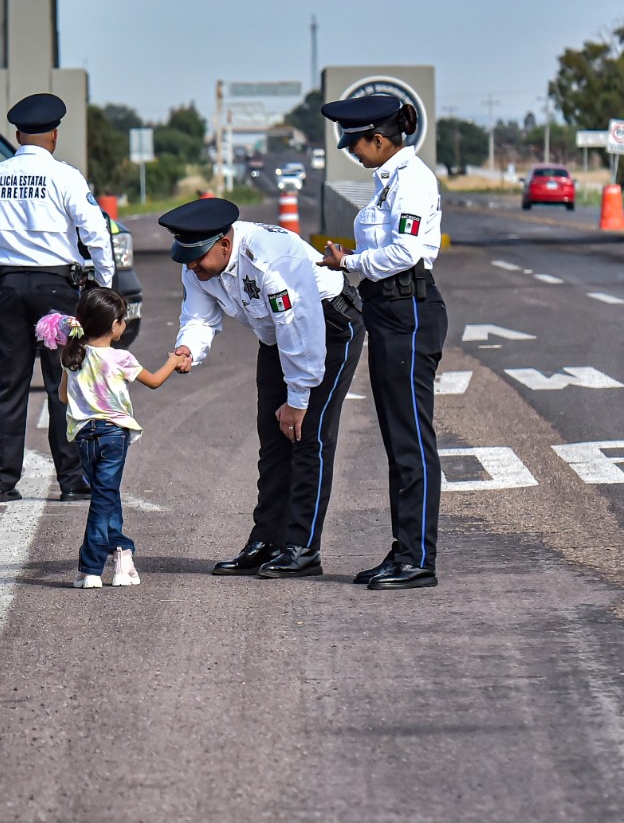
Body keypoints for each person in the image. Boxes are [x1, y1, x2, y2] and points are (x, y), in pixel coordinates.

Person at [158, 198, 366, 579]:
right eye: (185, 258)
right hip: (276, 336)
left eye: (196, 258)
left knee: (308, 436)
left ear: (224, 244)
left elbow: (299, 329)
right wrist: (189, 347)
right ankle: (268, 539)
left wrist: (298, 398)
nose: (191, 268)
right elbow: (199, 316)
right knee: (273, 437)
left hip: (327, 326)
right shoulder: (199, 266)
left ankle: (302, 548)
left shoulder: (269, 260)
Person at [0, 93, 115, 504]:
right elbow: (96, 232)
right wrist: (104, 285)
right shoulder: (66, 177)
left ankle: (0, 482)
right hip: (56, 291)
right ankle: (72, 480)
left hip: (9, 289)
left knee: (8, 386)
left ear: (16, 135)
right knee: (64, 383)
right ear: (54, 135)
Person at [317, 94, 446, 590]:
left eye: (356, 142)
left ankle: (417, 559)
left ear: (379, 138)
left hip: (409, 310)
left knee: (411, 439)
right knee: (399, 439)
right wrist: (352, 258)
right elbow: (386, 248)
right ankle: (404, 551)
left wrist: (349, 264)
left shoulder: (411, 180)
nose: (352, 151)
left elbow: (407, 250)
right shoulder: (386, 182)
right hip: (388, 310)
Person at [39, 289, 182, 589]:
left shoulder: (72, 355)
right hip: (113, 435)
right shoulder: (121, 358)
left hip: (83, 436)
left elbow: (63, 396)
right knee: (103, 499)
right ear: (114, 325)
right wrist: (173, 360)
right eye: (123, 321)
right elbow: (155, 381)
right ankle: (90, 567)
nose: (124, 327)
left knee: (106, 495)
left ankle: (121, 557)